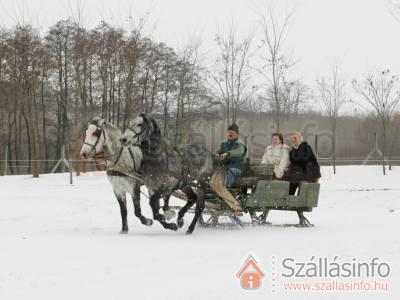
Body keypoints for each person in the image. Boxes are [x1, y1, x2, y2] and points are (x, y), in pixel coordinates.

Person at [210, 123, 247, 212]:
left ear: (237, 134)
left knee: (224, 178)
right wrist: (214, 154)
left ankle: (231, 198)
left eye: (232, 132)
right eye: (229, 132)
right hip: (224, 168)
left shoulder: (240, 144)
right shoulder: (224, 144)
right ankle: (216, 195)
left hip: (237, 168)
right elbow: (218, 152)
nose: (230, 134)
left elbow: (238, 152)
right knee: (213, 178)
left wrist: (228, 153)